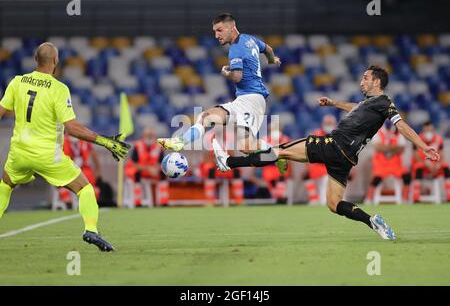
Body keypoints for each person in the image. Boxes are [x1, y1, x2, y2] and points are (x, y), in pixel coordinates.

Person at [212, 65, 440, 240]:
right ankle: (372, 222)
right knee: (334, 204)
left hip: (332, 144)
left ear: (377, 81)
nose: (362, 81)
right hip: (346, 159)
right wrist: (333, 103)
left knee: (279, 151)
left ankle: (229, 162)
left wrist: (423, 146)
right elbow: (356, 107)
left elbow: (401, 126)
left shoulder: (385, 102)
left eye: (366, 78)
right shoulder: (372, 104)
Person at [0, 42, 131, 251]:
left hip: (19, 151)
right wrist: (105, 141)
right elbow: (72, 128)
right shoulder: (59, 89)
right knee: (84, 188)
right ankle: (91, 230)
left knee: (6, 185)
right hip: (47, 155)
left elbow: (1, 111)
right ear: (55, 61)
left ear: (35, 60)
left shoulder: (17, 82)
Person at [156, 13, 287, 173]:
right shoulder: (249, 39)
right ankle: (180, 142)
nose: (216, 35)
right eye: (214, 32)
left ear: (232, 28)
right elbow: (268, 49)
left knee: (246, 147)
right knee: (206, 117)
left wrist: (227, 74)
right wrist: (272, 59)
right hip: (244, 100)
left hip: (252, 101)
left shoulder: (236, 49)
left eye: (219, 30)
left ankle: (278, 154)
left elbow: (238, 77)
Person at [365, 121, 411, 203]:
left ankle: (405, 198)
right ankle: (369, 198)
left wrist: (386, 148)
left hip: (396, 165)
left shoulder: (398, 132)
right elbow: (378, 147)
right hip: (381, 165)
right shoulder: (378, 132)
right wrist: (394, 148)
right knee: (376, 179)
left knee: (407, 177)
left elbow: (402, 149)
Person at [125, 127, 166, 206]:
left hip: (152, 172)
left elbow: (161, 162)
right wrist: (148, 168)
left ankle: (163, 202)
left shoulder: (158, 147)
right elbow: (134, 164)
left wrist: (156, 169)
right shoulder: (137, 146)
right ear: (143, 136)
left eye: (151, 135)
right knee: (136, 174)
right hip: (139, 170)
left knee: (163, 174)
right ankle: (137, 202)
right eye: (147, 135)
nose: (149, 137)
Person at [411, 121, 450, 202]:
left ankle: (448, 195)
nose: (428, 130)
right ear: (423, 129)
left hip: (436, 165)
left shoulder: (438, 139)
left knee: (446, 167)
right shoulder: (417, 139)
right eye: (427, 129)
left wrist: (438, 164)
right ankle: (416, 196)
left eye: (430, 128)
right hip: (423, 164)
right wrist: (426, 163)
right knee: (418, 167)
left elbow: (442, 154)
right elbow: (416, 155)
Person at [303, 115, 337, 204]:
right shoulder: (316, 134)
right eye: (327, 123)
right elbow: (308, 150)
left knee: (326, 186)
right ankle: (314, 199)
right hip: (317, 166)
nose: (329, 125)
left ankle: (322, 202)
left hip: (331, 167)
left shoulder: (338, 135)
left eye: (330, 123)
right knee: (308, 179)